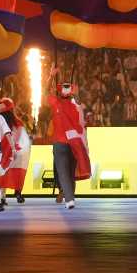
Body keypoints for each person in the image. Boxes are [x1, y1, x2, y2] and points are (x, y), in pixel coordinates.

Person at [43, 68, 89, 209]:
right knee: (69, 171)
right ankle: (70, 197)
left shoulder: (56, 103)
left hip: (60, 143)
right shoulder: (77, 106)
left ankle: (69, 198)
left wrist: (51, 76)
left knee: (63, 171)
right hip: (74, 142)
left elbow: (45, 92)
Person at [0, 98, 31, 204]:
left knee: (3, 173)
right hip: (18, 152)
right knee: (17, 173)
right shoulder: (18, 122)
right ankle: (18, 193)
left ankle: (2, 197)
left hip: (4, 151)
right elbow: (22, 138)